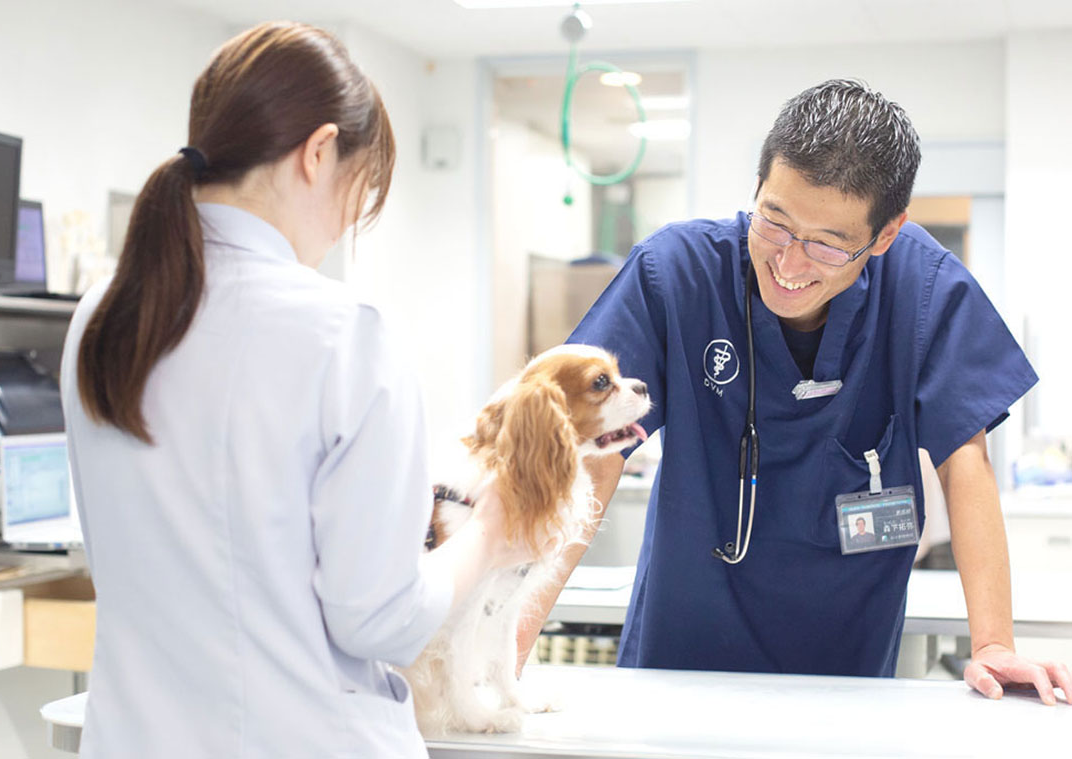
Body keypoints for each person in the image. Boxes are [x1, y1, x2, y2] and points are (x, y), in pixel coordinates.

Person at [61, 22, 531, 758]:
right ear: (318, 154)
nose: (348, 225)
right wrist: (489, 536)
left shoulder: (103, 315)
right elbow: (381, 620)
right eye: (361, 192)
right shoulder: (345, 334)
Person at [519, 79, 1072, 705]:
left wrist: (994, 643)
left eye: (827, 245)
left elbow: (964, 460)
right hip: (682, 660)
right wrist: (513, 635)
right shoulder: (676, 274)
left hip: (847, 670)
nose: (788, 264)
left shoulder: (922, 289)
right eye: (775, 223)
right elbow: (595, 453)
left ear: (883, 235)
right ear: (757, 189)